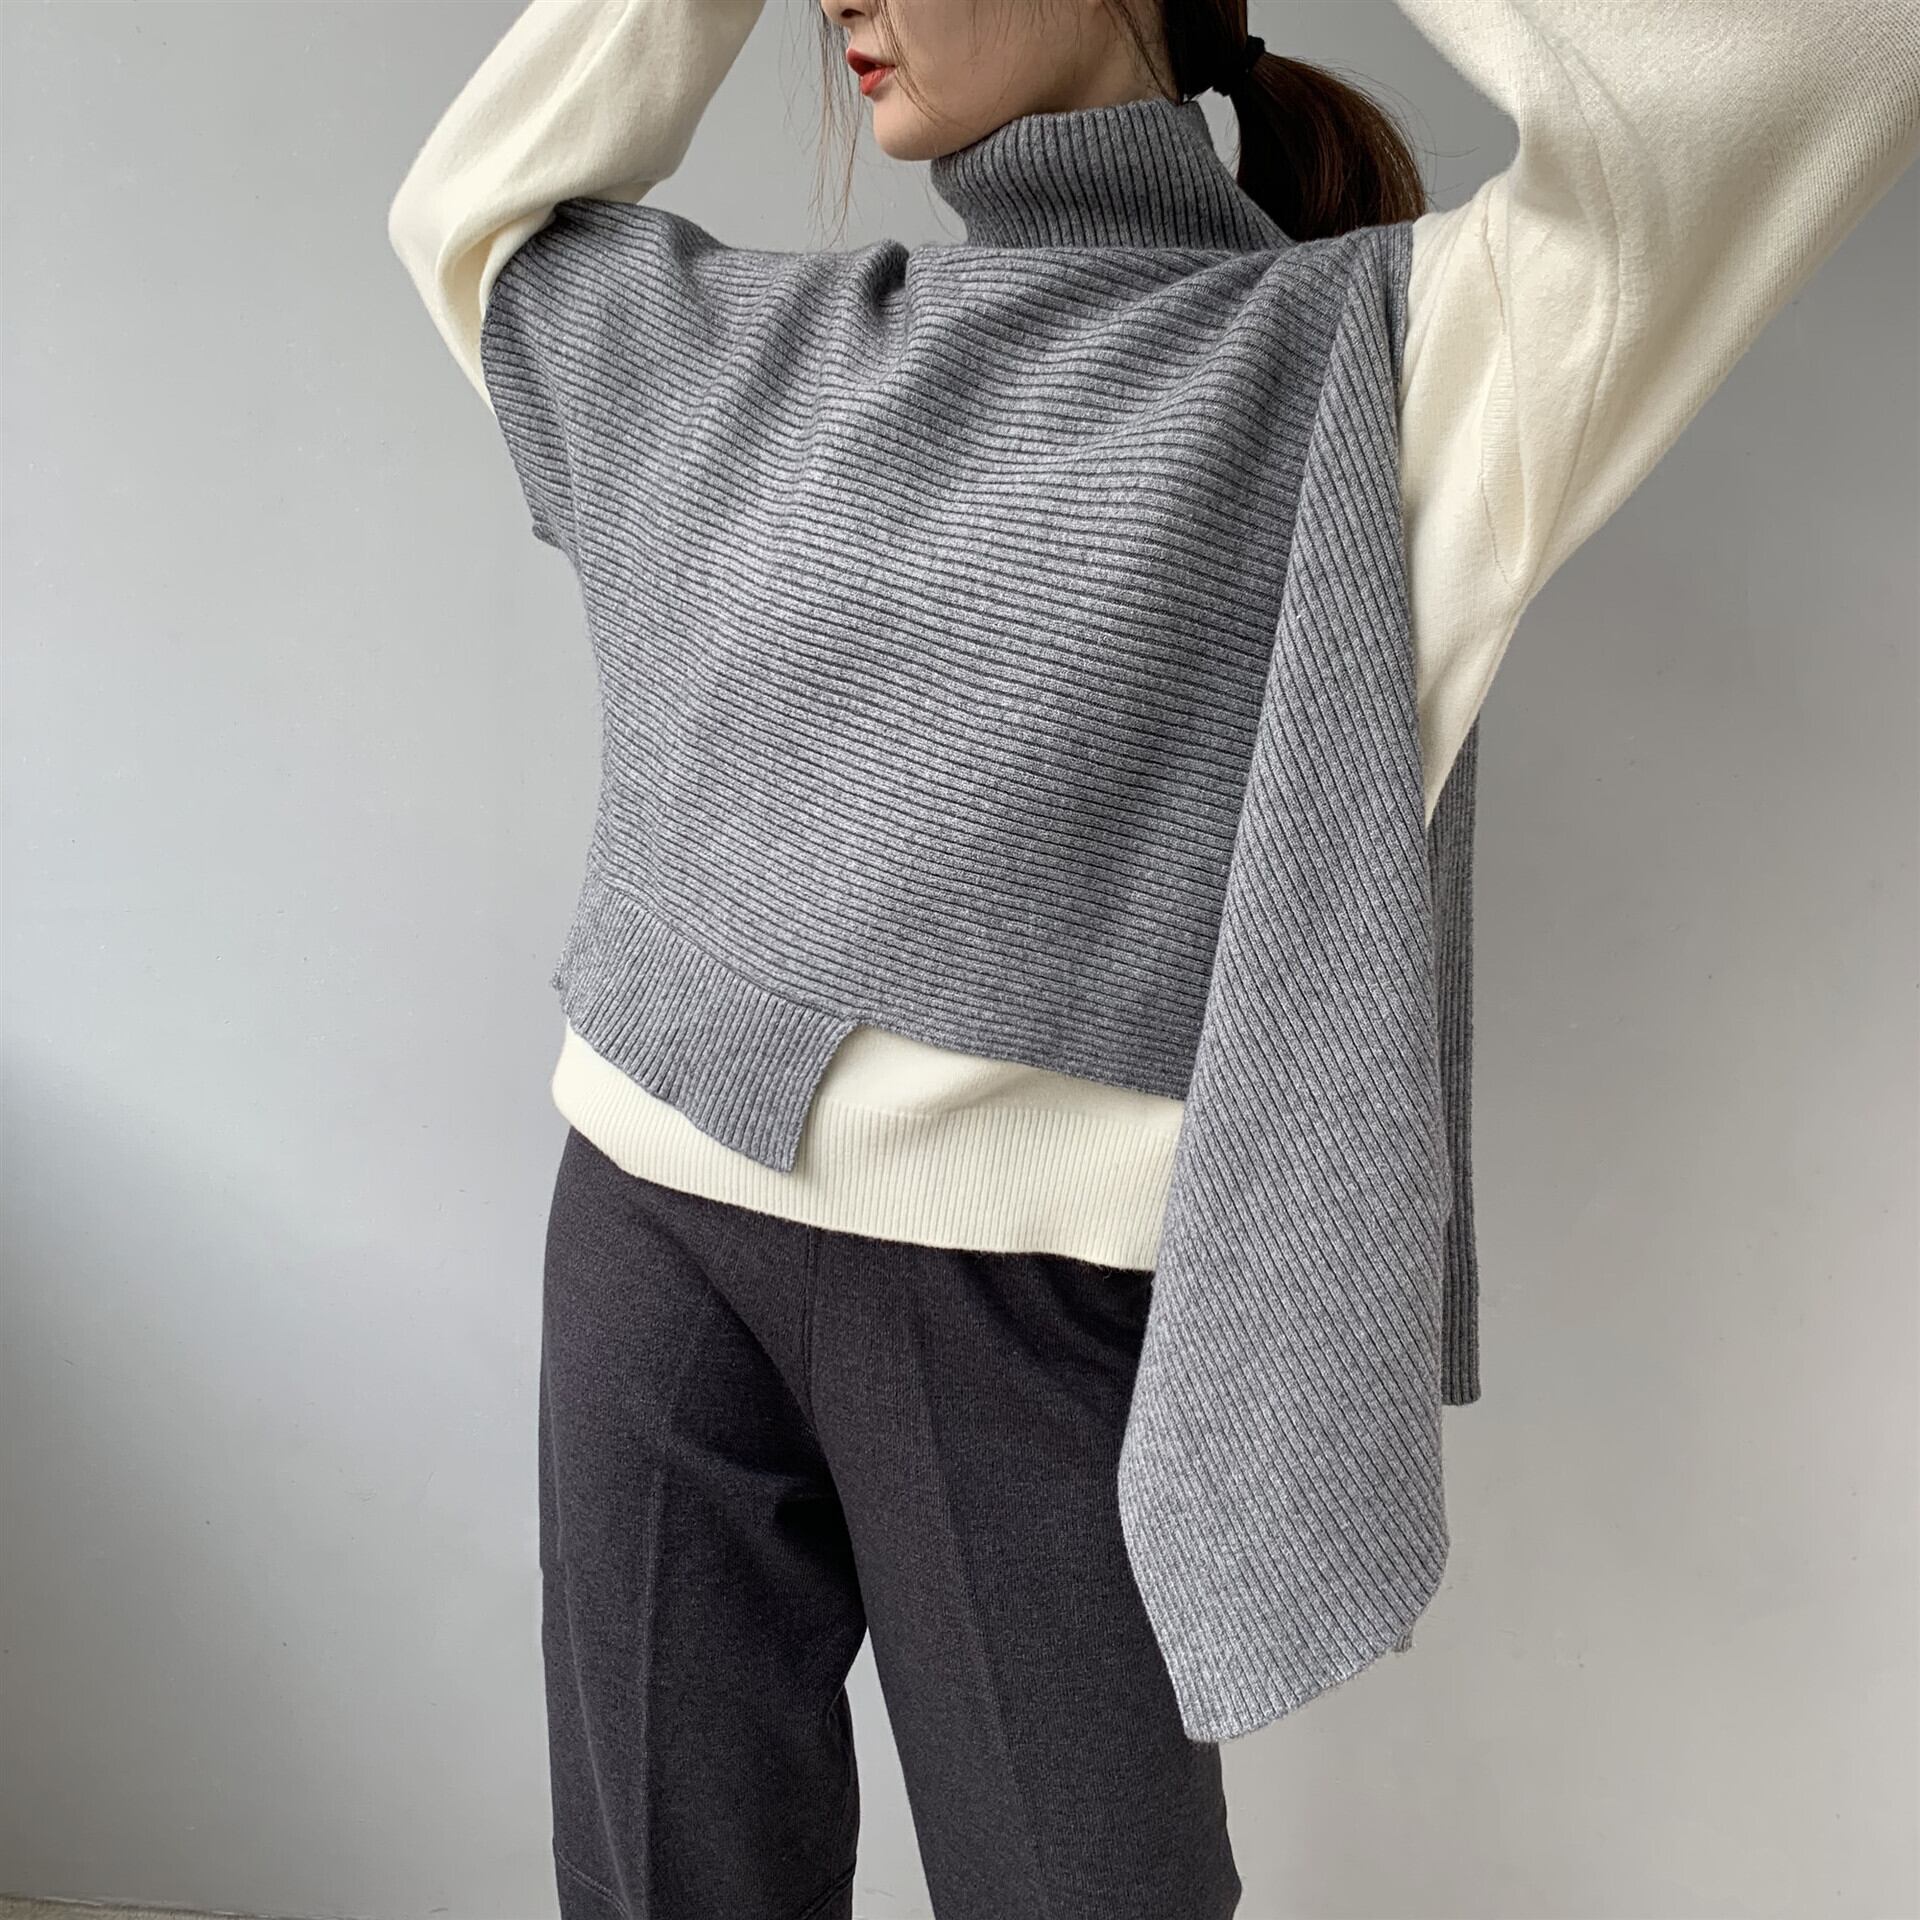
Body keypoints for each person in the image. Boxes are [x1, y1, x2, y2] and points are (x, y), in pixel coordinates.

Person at [387, 2, 1919, 1914]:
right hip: (650, 1221)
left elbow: (1827, 65)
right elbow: (474, 212)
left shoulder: (1384, 359)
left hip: (1022, 1305)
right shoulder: (770, 340)